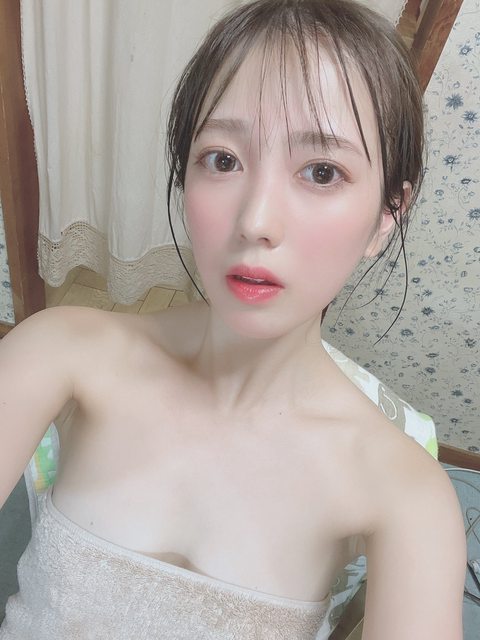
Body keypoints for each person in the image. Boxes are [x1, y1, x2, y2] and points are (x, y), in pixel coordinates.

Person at [0, 1, 466, 638]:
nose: (255, 221)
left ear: (388, 214)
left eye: (322, 172)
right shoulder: (59, 351)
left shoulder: (406, 495)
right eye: (222, 160)